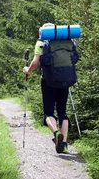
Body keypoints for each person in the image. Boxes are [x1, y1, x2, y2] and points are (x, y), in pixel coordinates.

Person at [22, 23, 78, 154]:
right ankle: (63, 144)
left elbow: (36, 62)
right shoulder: (67, 41)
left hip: (48, 81)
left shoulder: (41, 42)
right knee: (62, 112)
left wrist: (27, 70)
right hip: (65, 80)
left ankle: (56, 133)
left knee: (48, 112)